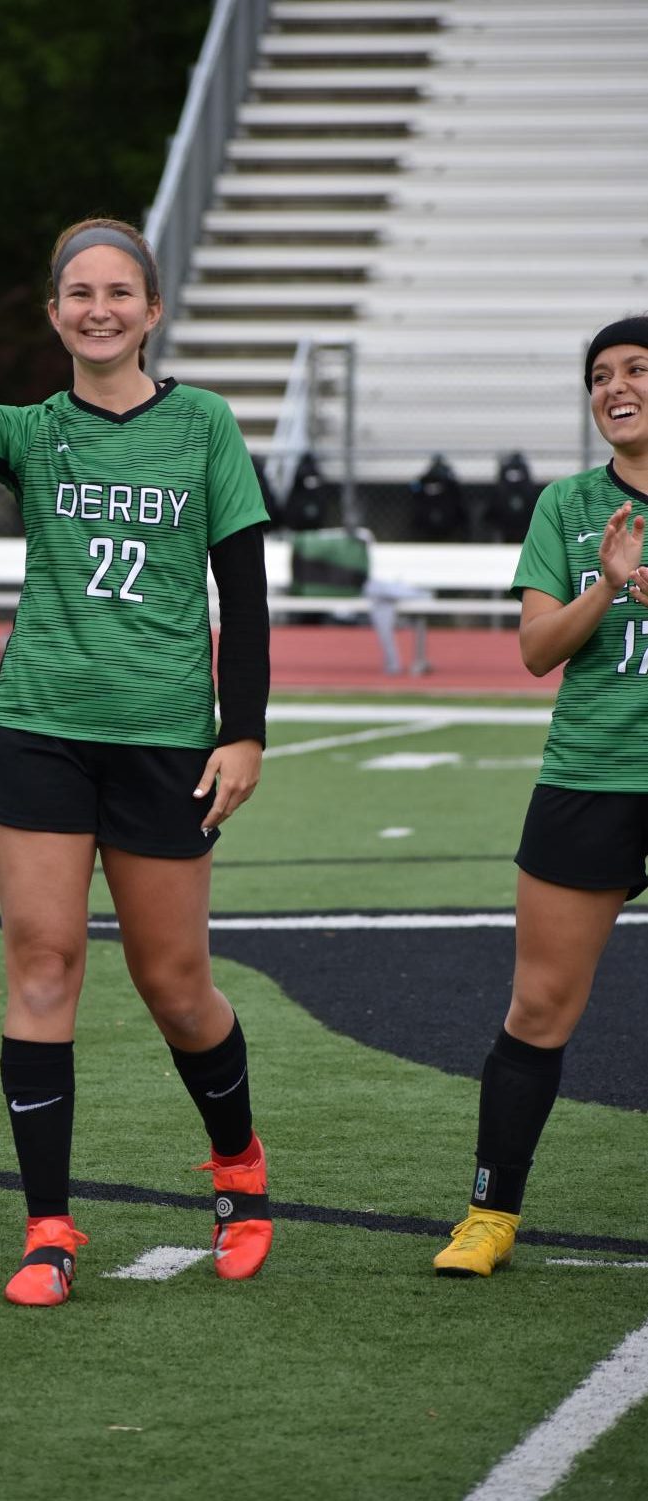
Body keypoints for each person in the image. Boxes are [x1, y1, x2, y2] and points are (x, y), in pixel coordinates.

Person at [0, 126, 273, 1306]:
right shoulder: (31, 432)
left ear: (151, 310)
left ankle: (238, 1169)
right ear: (55, 317)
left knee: (173, 981)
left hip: (165, 738)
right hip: (42, 730)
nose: (97, 309)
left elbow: (244, 592)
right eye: (78, 294)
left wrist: (243, 726)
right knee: (42, 963)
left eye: (118, 292)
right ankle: (49, 1227)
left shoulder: (202, 424)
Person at [433, 316, 648, 1276]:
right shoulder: (566, 503)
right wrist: (605, 585)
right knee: (538, 1008)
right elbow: (533, 652)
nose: (614, 388)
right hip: (588, 779)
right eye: (599, 376)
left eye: (636, 370)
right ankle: (489, 1212)